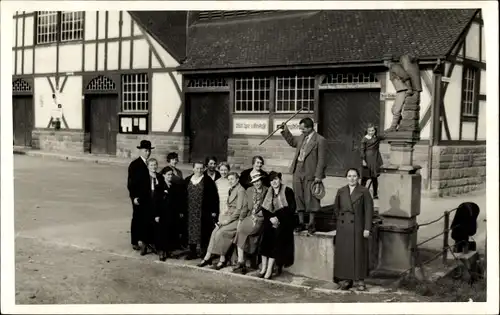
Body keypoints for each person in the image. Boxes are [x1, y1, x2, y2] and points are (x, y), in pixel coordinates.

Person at [279, 117, 326, 234]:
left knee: (311, 198)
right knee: (298, 196)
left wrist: (318, 176)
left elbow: (322, 160)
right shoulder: (301, 137)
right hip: (297, 170)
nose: (301, 131)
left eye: (303, 129)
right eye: (300, 129)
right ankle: (300, 222)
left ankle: (311, 224)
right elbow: (292, 142)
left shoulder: (320, 140)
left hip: (311, 172)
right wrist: (285, 130)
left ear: (310, 128)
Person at [332, 168, 374, 291]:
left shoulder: (364, 191)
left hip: (357, 227)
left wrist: (367, 228)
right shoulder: (341, 191)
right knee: (345, 254)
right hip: (344, 227)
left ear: (358, 177)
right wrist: (340, 222)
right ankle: (346, 279)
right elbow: (336, 208)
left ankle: (360, 280)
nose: (352, 178)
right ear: (346, 177)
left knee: (359, 253)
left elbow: (368, 211)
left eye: (354, 176)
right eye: (349, 176)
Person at [198, 172, 246, 270]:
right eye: (229, 179)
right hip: (229, 217)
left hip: (237, 220)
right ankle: (207, 257)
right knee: (215, 231)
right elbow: (229, 207)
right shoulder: (232, 189)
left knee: (221, 232)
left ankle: (222, 259)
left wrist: (227, 221)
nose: (230, 181)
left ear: (237, 179)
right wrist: (223, 218)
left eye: (232, 179)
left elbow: (239, 210)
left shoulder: (240, 190)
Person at [258, 171, 296, 280]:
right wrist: (271, 218)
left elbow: (291, 209)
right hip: (271, 219)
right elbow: (264, 209)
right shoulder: (268, 192)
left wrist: (277, 218)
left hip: (285, 220)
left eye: (276, 179)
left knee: (276, 237)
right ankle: (264, 268)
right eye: (271, 180)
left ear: (280, 180)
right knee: (266, 234)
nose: (274, 182)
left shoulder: (287, 191)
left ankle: (270, 269)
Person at [232, 173, 268, 274]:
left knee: (246, 231)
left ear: (261, 180)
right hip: (249, 216)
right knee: (240, 229)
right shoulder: (249, 190)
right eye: (254, 181)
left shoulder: (267, 190)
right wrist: (240, 219)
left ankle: (241, 261)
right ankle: (241, 261)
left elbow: (268, 206)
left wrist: (261, 214)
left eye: (258, 181)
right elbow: (245, 206)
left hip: (260, 218)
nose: (257, 183)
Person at [184, 162, 219, 260]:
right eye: (197, 168)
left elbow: (214, 197)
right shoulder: (187, 180)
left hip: (203, 210)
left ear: (204, 169)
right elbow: (183, 196)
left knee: (203, 230)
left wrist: (214, 211)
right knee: (191, 231)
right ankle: (192, 251)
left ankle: (204, 252)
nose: (199, 170)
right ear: (193, 169)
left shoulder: (208, 181)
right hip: (190, 210)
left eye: (201, 168)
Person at [127, 140, 154, 251]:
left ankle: (145, 240)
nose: (147, 153)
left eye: (149, 151)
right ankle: (135, 241)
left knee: (147, 217)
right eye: (145, 150)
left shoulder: (150, 163)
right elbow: (131, 184)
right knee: (137, 217)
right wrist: (134, 197)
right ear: (141, 151)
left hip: (148, 196)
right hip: (139, 197)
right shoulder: (135, 165)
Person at [156, 166, 184, 260]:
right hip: (162, 214)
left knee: (171, 232)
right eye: (168, 174)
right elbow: (156, 202)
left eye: (171, 174)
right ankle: (161, 251)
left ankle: (168, 251)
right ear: (163, 175)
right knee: (162, 233)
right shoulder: (159, 187)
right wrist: (156, 215)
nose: (170, 176)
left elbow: (178, 201)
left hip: (172, 213)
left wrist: (180, 212)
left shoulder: (174, 186)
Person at [360, 123, 385, 199]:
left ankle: (375, 194)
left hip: (375, 158)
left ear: (375, 130)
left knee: (374, 177)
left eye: (373, 130)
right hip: (368, 157)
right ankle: (360, 193)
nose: (371, 132)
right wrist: (363, 160)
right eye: (369, 131)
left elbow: (384, 136)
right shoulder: (365, 139)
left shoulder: (377, 138)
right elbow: (362, 150)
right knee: (365, 177)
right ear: (367, 131)